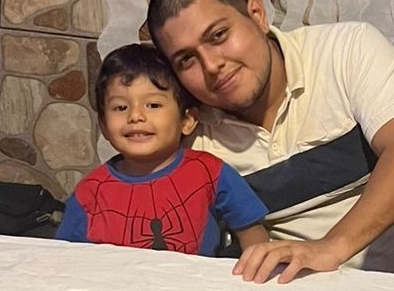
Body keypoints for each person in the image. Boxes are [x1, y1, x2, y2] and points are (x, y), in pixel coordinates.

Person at [146, 0, 394, 283]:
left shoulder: (347, 49)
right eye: (186, 60)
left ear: (257, 15)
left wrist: (330, 247)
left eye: (218, 36)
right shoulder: (191, 128)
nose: (212, 65)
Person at [57, 43, 270, 256]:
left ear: (187, 120)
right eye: (120, 107)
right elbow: (64, 256)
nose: (135, 116)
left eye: (153, 105)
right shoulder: (90, 192)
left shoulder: (210, 172)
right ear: (103, 126)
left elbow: (251, 231)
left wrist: (256, 266)